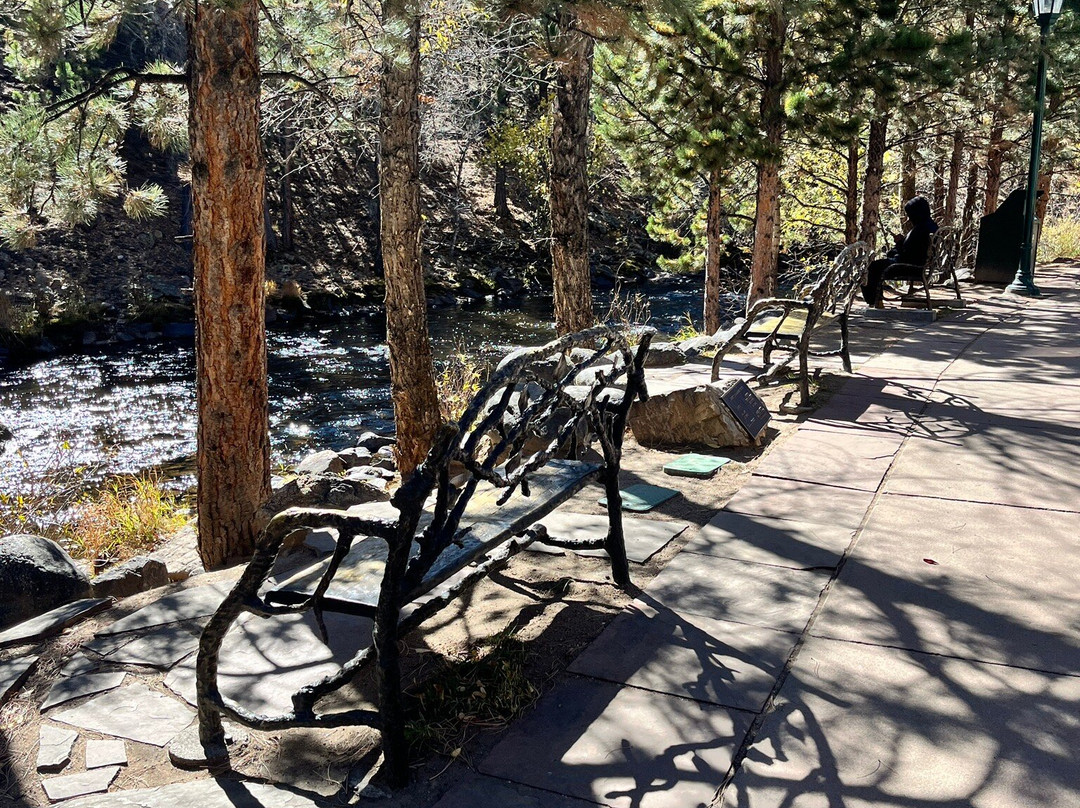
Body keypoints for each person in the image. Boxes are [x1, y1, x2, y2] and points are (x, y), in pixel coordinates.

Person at [861, 195, 939, 307]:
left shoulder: (920, 229)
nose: (909, 218)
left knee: (872, 268)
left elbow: (907, 254)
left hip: (910, 267)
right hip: (920, 264)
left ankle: (874, 302)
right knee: (876, 265)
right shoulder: (931, 226)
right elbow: (916, 249)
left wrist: (898, 245)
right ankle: (876, 301)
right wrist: (903, 242)